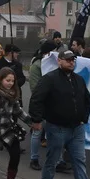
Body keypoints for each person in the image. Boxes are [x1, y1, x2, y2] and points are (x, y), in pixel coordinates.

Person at [29, 50, 90, 179]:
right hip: (57, 127)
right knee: (52, 160)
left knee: (79, 161)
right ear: (59, 61)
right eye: (68, 60)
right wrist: (36, 120)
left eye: (73, 60)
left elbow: (86, 100)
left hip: (77, 128)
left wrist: (84, 118)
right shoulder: (49, 79)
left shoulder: (79, 80)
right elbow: (37, 98)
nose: (71, 62)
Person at [28, 41, 56, 170]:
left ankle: (57, 161)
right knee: (37, 132)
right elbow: (35, 88)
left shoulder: (57, 65)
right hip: (42, 104)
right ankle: (34, 159)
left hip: (54, 105)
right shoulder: (37, 66)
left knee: (54, 133)